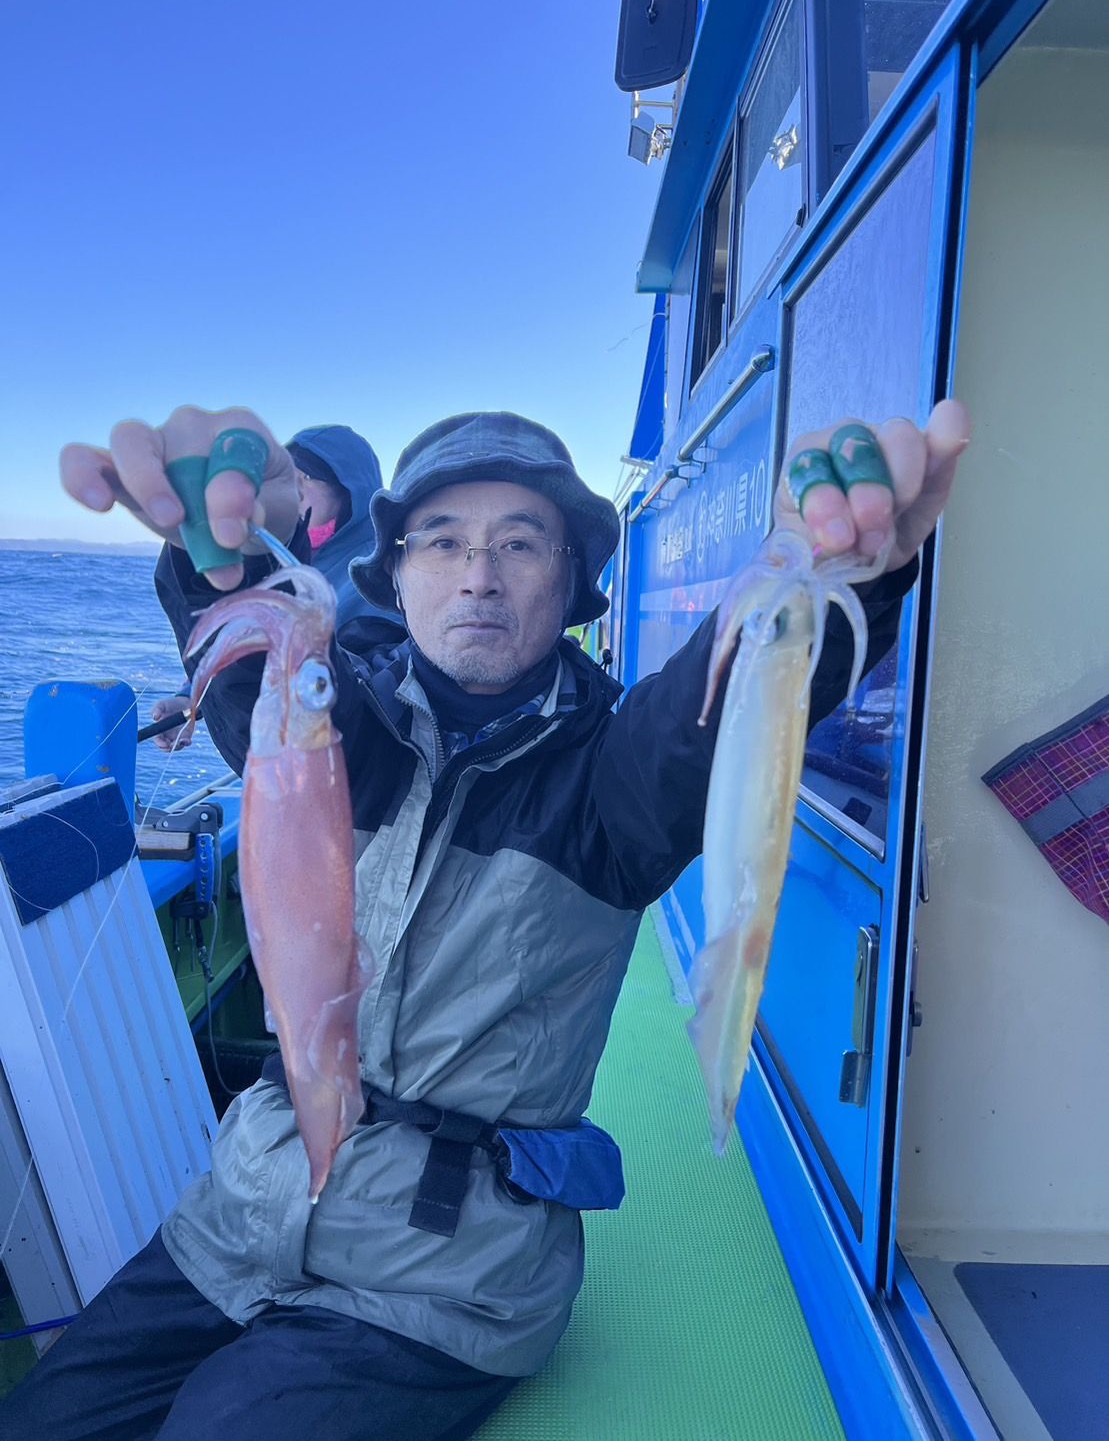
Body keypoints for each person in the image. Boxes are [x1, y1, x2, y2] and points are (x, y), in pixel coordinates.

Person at [5, 399, 971, 1440]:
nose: (478, 575)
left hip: (444, 1282)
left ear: (571, 579)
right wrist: (220, 556)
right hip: (235, 1218)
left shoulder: (615, 781)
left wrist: (838, 572)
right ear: (394, 573)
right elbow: (257, 667)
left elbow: (723, 701)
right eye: (442, 541)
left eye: (519, 543)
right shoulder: (335, 729)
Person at [150, 423, 391, 752]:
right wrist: (189, 701)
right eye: (285, 477)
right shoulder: (278, 560)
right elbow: (241, 645)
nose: (294, 490)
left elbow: (357, 693)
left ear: (350, 492)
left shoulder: (380, 573)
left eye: (307, 477)